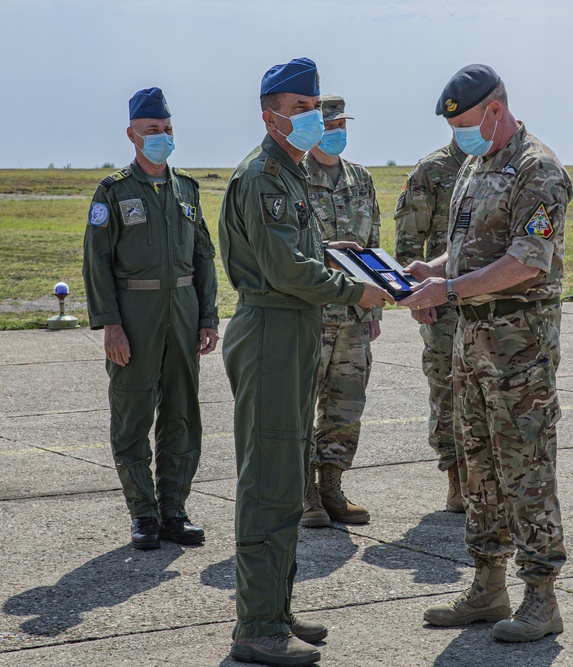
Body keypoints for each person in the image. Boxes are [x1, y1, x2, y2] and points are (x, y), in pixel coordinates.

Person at [218, 58, 393, 666]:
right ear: (271, 116)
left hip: (292, 327)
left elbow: (300, 254)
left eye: (316, 107)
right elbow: (286, 271)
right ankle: (256, 628)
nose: (313, 118)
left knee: (287, 477)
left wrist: (336, 255)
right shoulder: (265, 176)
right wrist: (357, 289)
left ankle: (276, 607)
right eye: (300, 109)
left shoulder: (289, 174)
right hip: (271, 329)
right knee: (268, 480)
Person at [400, 64, 573, 643]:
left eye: (470, 123)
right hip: (471, 347)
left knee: (525, 469)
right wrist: (433, 269)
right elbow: (471, 251)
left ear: (495, 110)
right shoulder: (477, 166)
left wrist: (446, 290)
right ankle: (488, 585)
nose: (462, 136)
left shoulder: (538, 170)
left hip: (518, 350)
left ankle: (542, 598)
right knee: (478, 468)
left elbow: (527, 260)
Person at [82, 87, 220, 551]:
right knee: (132, 416)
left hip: (182, 314)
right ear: (132, 134)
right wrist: (111, 325)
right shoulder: (114, 191)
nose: (161, 137)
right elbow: (96, 261)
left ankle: (173, 513)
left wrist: (207, 316)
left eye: (166, 130)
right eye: (151, 131)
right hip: (134, 316)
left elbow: (203, 256)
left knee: (182, 416)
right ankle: (143, 514)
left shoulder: (186, 189)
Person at [301, 94, 381, 528]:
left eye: (341, 126)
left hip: (354, 314)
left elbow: (373, 245)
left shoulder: (361, 179)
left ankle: (331, 485)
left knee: (346, 406)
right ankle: (303, 492)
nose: (336, 134)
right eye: (328, 126)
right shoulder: (294, 178)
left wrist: (375, 313)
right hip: (311, 313)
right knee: (301, 404)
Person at [393, 139, 468, 513]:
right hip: (442, 303)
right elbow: (408, 242)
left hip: (491, 300)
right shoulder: (432, 170)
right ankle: (457, 477)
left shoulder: (501, 165)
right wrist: (415, 298)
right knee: (446, 387)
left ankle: (486, 476)